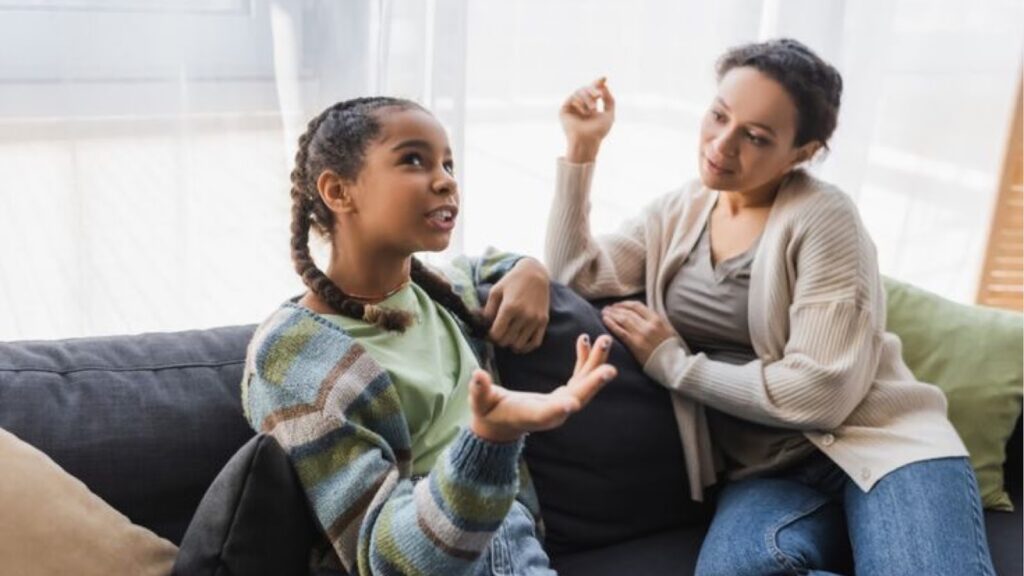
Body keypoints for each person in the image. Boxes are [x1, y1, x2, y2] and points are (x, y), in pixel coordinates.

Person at [547, 38, 996, 575]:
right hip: (766, 474)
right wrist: (581, 150)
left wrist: (675, 365)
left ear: (802, 153)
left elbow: (820, 394)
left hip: (882, 447)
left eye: (756, 137)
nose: (722, 143)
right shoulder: (679, 211)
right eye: (719, 115)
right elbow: (576, 275)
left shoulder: (825, 218)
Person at [242, 96, 617, 576]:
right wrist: (489, 439)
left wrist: (530, 270)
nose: (446, 180)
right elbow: (385, 558)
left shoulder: (446, 294)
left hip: (511, 541)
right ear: (338, 191)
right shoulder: (290, 357)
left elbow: (487, 265)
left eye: (448, 163)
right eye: (413, 160)